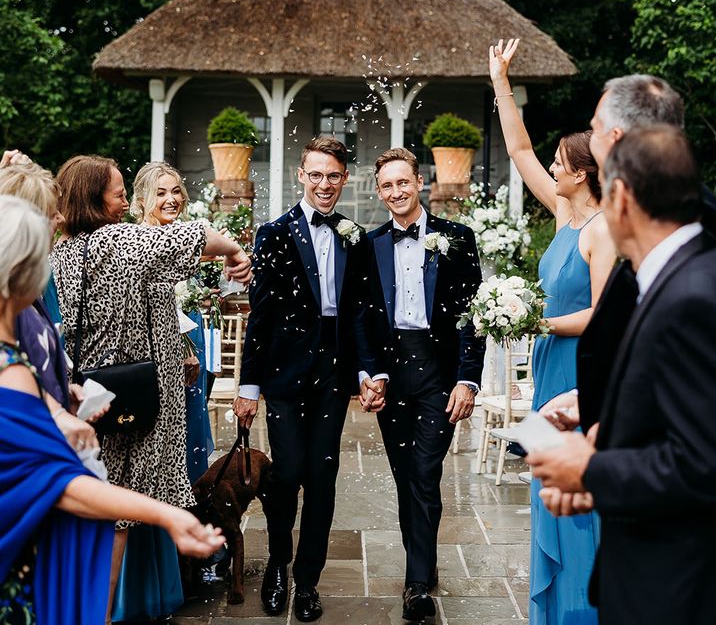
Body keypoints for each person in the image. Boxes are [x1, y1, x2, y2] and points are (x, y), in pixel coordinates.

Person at [527, 125, 716, 623]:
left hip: (687, 586)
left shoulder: (697, 298)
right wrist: (599, 417)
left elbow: (710, 464)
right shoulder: (692, 276)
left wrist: (589, 469)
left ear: (620, 196)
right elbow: (683, 418)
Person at [0, 195, 226, 625]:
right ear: (22, 274)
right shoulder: (11, 368)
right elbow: (59, 484)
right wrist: (166, 514)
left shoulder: (15, 358)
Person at [49, 154, 251, 618]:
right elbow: (196, 235)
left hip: (90, 394)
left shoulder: (65, 249)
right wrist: (236, 252)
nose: (124, 201)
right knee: (118, 518)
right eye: (120, 193)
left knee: (99, 510)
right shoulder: (117, 241)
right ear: (95, 199)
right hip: (133, 398)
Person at [538, 73, 716, 436]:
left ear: (615, 139)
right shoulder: (674, 214)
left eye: (594, 127)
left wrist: (600, 463)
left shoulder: (701, 272)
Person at [490, 39, 615, 624]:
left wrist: (533, 320)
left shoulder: (602, 232)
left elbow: (603, 314)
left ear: (583, 174)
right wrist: (499, 79)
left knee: (576, 498)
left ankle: (580, 612)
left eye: (562, 162)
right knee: (546, 490)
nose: (553, 168)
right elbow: (517, 147)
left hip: (578, 368)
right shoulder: (565, 215)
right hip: (547, 373)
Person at [233, 136, 370, 622]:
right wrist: (248, 386)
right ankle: (277, 565)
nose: (324, 184)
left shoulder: (356, 235)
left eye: (333, 175)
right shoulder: (273, 234)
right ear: (301, 176)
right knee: (287, 473)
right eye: (316, 175)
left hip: (332, 374)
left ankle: (308, 580)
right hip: (284, 374)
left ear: (344, 178)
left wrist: (364, 370)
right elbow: (261, 314)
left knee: (323, 476)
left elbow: (360, 312)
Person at [359, 148, 485, 622]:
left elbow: (472, 316)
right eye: (387, 186)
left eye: (403, 183)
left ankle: (416, 584)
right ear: (379, 191)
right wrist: (371, 373)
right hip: (394, 376)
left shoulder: (457, 238)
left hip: (438, 375)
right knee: (402, 472)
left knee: (424, 472)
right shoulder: (369, 245)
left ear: (420, 183)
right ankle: (423, 562)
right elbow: (364, 318)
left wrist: (467, 379)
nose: (396, 192)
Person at [106, 162, 215, 623]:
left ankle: (179, 574)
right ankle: (138, 594)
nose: (171, 200)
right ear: (140, 199)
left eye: (177, 192)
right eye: (161, 193)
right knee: (143, 477)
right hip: (147, 380)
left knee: (178, 472)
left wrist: (187, 345)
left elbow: (167, 312)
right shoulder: (136, 243)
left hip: (178, 370)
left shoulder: (174, 238)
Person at [0, 163, 106, 452]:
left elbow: (30, 365)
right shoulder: (9, 303)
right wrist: (56, 412)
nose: (61, 217)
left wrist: (61, 391)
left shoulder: (28, 292)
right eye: (51, 211)